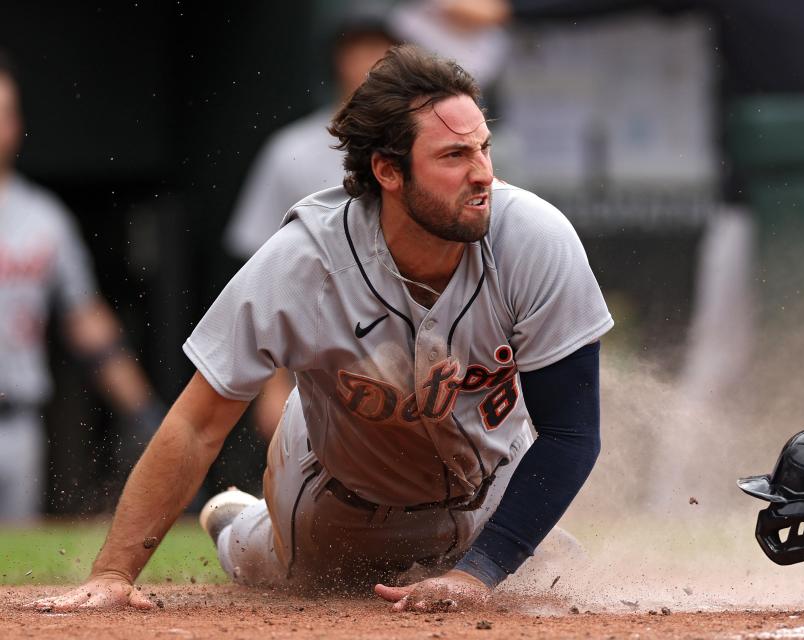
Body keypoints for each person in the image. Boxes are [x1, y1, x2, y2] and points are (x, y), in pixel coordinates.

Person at [29, 45, 612, 611]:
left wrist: (480, 572)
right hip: (339, 505)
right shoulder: (304, 261)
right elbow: (196, 425)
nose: (483, 173)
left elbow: (569, 434)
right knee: (276, 569)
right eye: (454, 156)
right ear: (388, 170)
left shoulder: (534, 237)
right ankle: (239, 523)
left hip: (492, 488)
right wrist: (111, 574)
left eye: (483, 149)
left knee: (544, 576)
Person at [223, 12, 400, 441]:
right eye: (361, 50)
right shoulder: (291, 150)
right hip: (315, 354)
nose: (372, 63)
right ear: (340, 59)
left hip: (406, 352)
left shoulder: (420, 150)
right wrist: (271, 385)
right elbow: (261, 276)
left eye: (384, 52)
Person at [0, 52, 161, 521]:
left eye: (5, 112)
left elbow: (85, 321)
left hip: (19, 422)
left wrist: (145, 412)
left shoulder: (44, 217)